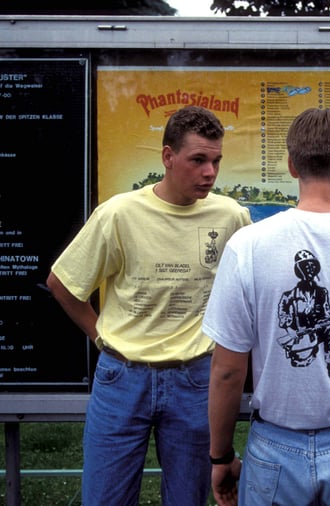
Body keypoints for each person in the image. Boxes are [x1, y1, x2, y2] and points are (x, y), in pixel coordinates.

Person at [46, 105, 252, 505]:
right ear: (167, 157)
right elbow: (63, 283)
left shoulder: (230, 217)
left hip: (195, 380)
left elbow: (260, 277)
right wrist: (100, 337)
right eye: (198, 160)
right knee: (105, 498)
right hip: (122, 378)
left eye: (216, 161)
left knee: (188, 498)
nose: (210, 172)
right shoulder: (120, 214)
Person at [203, 107, 330, 506]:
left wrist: (221, 455)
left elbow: (228, 370)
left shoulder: (247, 246)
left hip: (274, 448)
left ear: (292, 165)